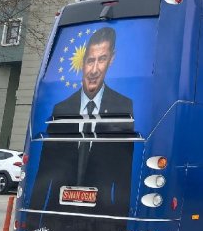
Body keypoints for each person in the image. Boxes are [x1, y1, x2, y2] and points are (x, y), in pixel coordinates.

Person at [30, 27, 134, 216]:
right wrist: (32, 219)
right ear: (83, 62)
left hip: (103, 217)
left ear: (111, 59)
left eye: (102, 59)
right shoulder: (61, 109)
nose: (94, 70)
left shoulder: (124, 106)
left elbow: (123, 178)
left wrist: (119, 225)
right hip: (58, 216)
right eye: (90, 60)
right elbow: (45, 172)